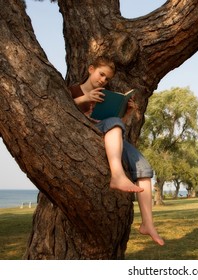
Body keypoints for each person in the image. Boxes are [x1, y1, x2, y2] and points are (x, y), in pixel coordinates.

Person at [69, 56, 164, 246]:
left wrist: (127, 114)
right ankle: (117, 174)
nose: (103, 80)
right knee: (113, 122)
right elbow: (61, 110)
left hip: (109, 133)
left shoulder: (106, 95)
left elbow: (116, 126)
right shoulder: (74, 90)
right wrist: (85, 99)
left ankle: (148, 224)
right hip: (87, 133)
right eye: (101, 74)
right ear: (91, 69)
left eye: (107, 78)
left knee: (144, 169)